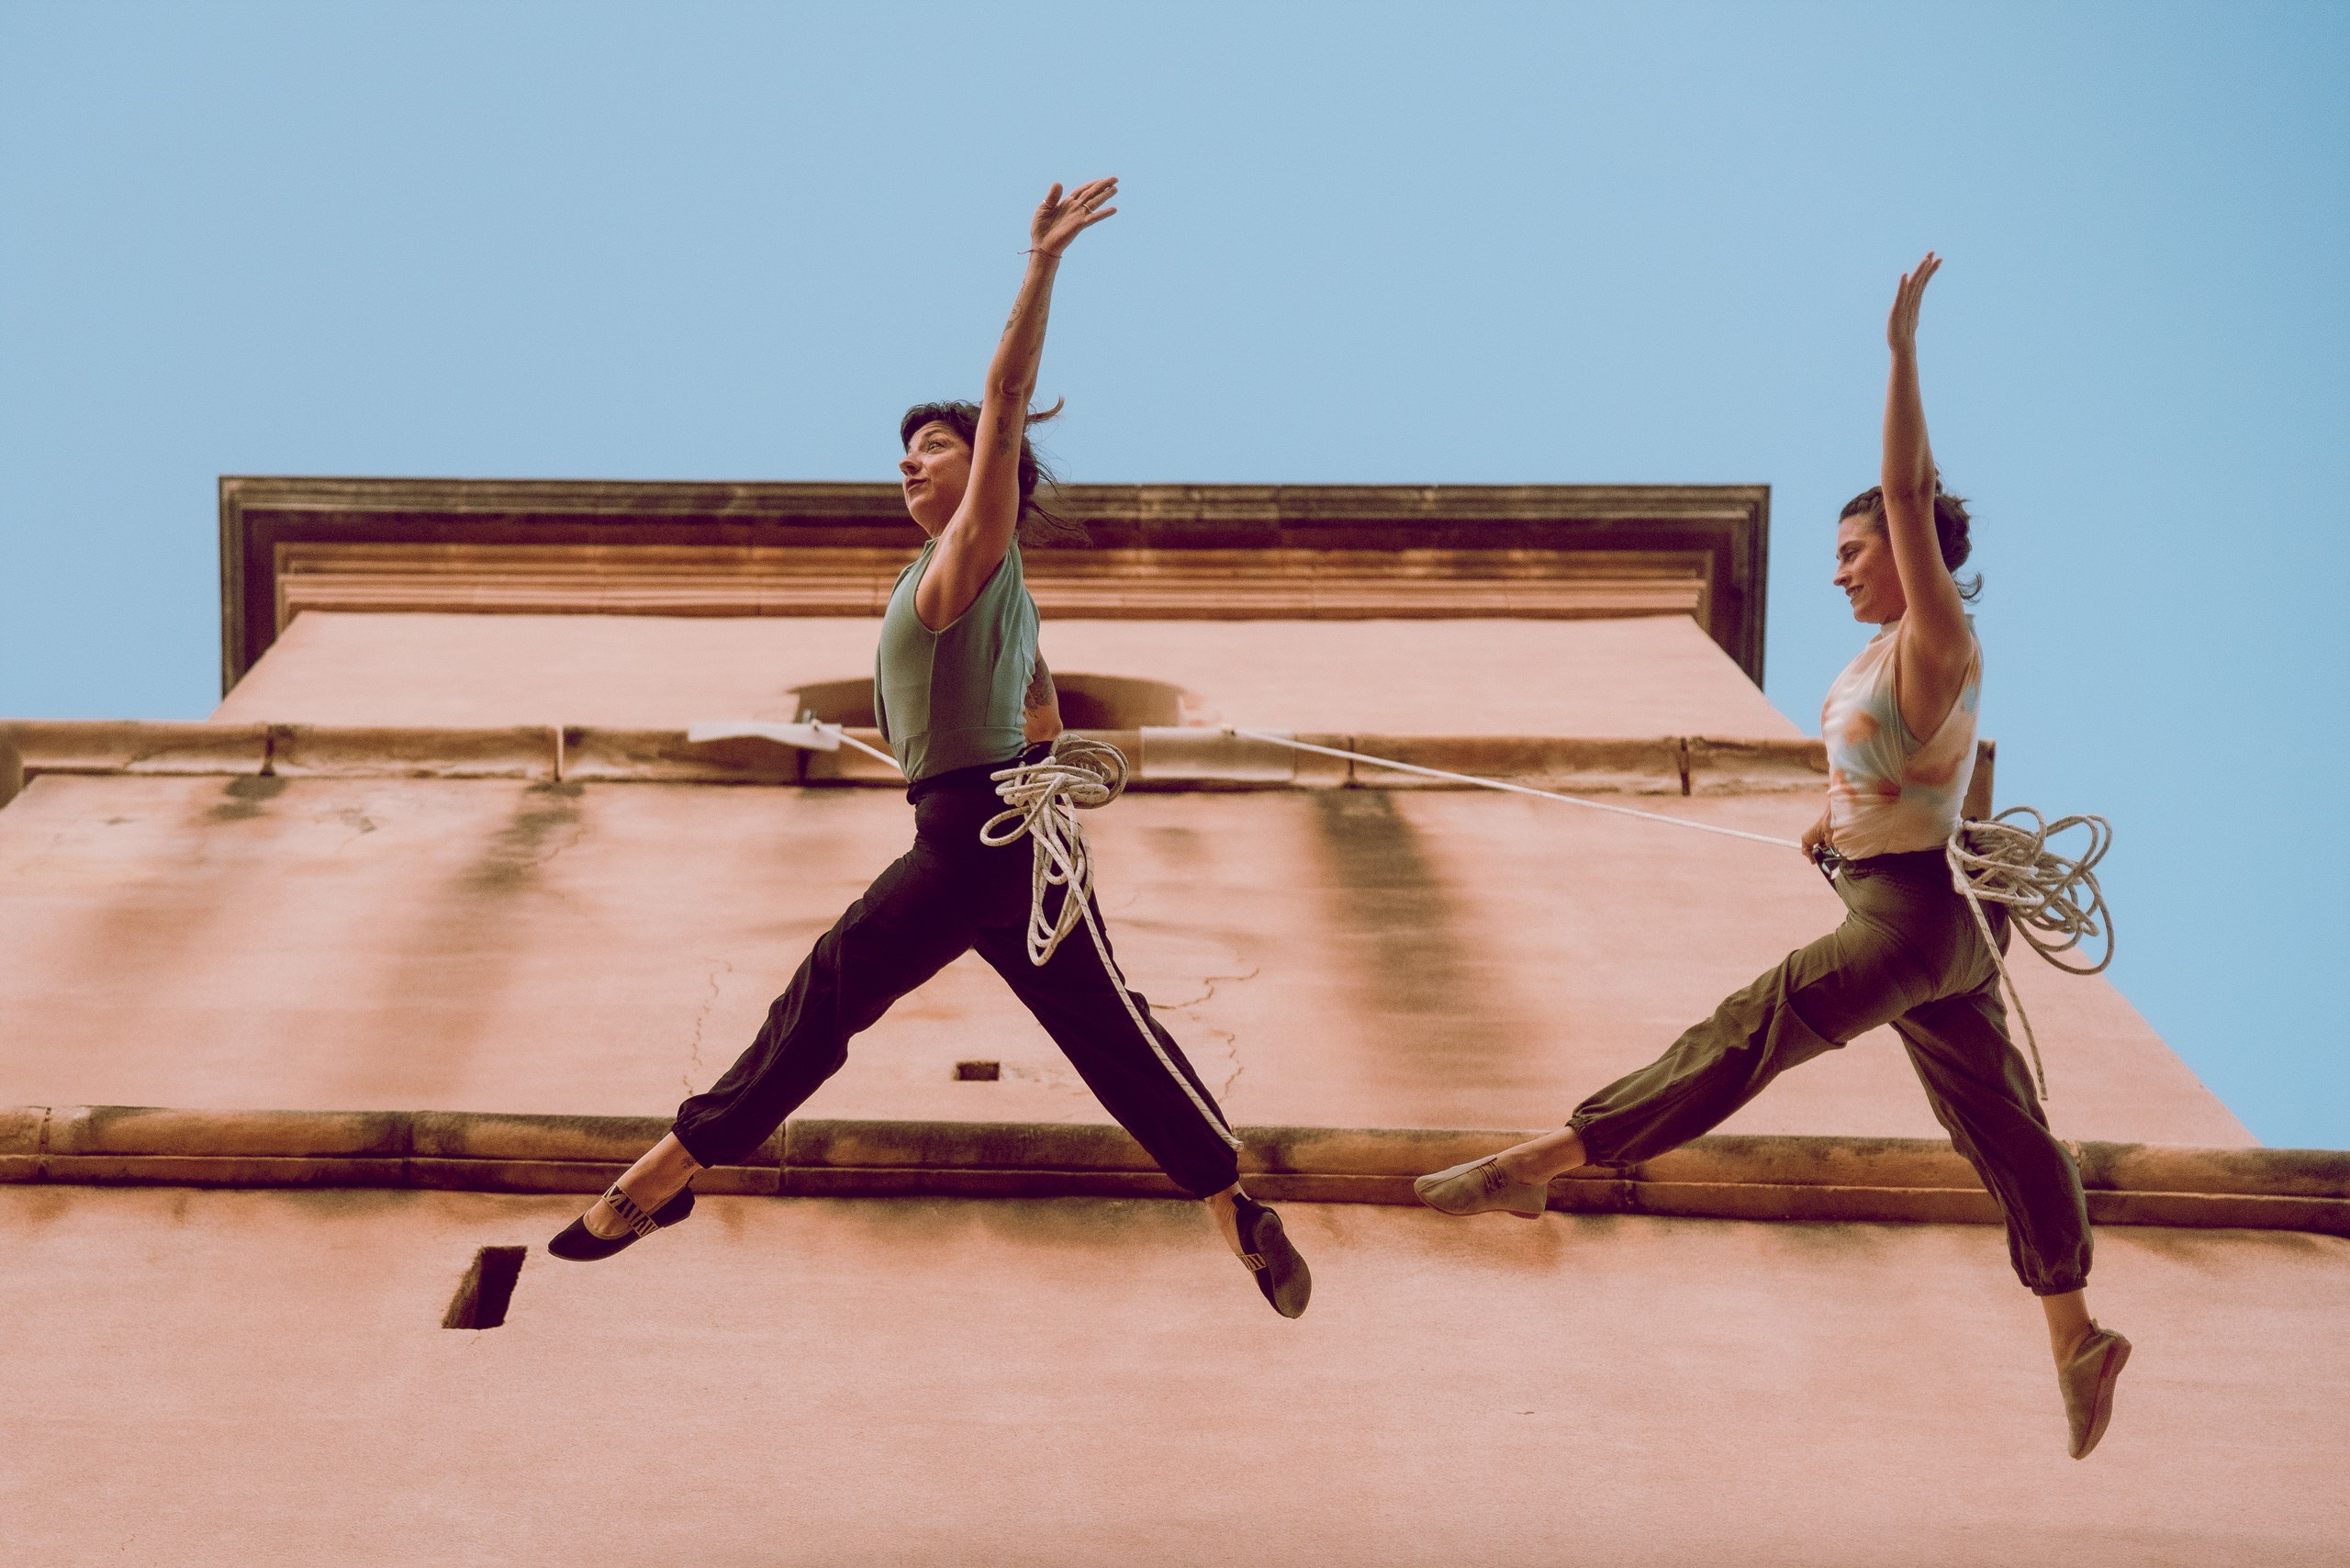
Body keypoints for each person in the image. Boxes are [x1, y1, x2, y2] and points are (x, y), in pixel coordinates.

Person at [549, 179, 1310, 1318]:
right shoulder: (1002, 598)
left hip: (968, 834)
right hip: (1023, 846)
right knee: (1112, 1032)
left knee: (828, 990)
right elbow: (1045, 723)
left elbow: (1007, 396)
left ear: (986, 471)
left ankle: (664, 1174)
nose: (910, 462)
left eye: (934, 447)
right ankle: (1227, 1199)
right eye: (903, 452)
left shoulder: (965, 558)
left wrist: (1040, 262)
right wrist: (1031, 736)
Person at [1414, 254, 2128, 1457]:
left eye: (1856, 547)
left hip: (1910, 915)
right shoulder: (1875, 668)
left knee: (1755, 1025)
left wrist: (1900, 356)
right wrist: (1827, 824)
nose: (1842, 565)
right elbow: (1892, 779)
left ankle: (1554, 1155)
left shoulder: (1936, 634)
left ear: (1911, 554)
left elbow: (1907, 491)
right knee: (1999, 1123)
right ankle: (2075, 1331)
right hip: (1926, 914)